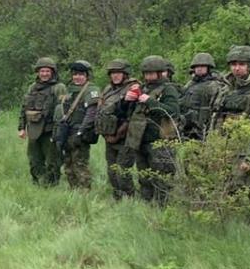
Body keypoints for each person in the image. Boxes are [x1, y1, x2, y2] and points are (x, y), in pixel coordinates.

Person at [211, 45, 250, 201]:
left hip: (245, 151)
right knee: (225, 192)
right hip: (224, 149)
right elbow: (216, 118)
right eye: (233, 64)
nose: (236, 68)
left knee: (247, 194)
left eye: (241, 64)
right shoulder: (227, 88)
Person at [123, 56, 182, 204]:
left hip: (161, 142)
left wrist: (150, 101)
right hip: (141, 140)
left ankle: (164, 209)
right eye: (146, 73)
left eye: (152, 73)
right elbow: (129, 114)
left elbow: (173, 111)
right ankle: (147, 206)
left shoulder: (169, 89)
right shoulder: (142, 88)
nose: (149, 76)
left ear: (160, 73)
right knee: (144, 177)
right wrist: (127, 101)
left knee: (163, 179)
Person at [88, 60, 140, 200]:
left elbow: (132, 117)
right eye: (113, 73)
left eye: (119, 73)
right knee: (112, 171)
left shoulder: (133, 88)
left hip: (126, 138)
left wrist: (117, 135)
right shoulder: (108, 90)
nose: (115, 76)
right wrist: (106, 134)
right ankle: (117, 198)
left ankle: (130, 199)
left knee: (123, 171)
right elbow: (101, 112)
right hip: (109, 136)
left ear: (125, 74)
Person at [18, 57, 67, 186]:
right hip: (33, 130)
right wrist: (21, 128)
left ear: (52, 72)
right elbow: (24, 109)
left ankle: (51, 186)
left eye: (47, 71)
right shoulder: (32, 88)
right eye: (42, 71)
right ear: (38, 72)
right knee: (34, 160)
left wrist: (59, 133)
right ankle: (38, 184)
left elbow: (62, 111)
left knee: (52, 161)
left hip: (50, 131)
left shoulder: (59, 88)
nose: (44, 74)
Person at [59, 60, 99, 189]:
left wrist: (80, 132)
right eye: (75, 74)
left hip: (80, 132)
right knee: (68, 165)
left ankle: (85, 194)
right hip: (67, 132)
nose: (77, 77)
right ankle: (73, 192)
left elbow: (91, 114)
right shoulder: (69, 89)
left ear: (87, 75)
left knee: (80, 165)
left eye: (81, 74)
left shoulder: (91, 90)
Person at [179, 52, 227, 141]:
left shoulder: (214, 85)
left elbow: (217, 110)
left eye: (202, 66)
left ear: (208, 68)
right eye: (197, 67)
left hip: (205, 129)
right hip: (188, 129)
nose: (199, 69)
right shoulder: (190, 84)